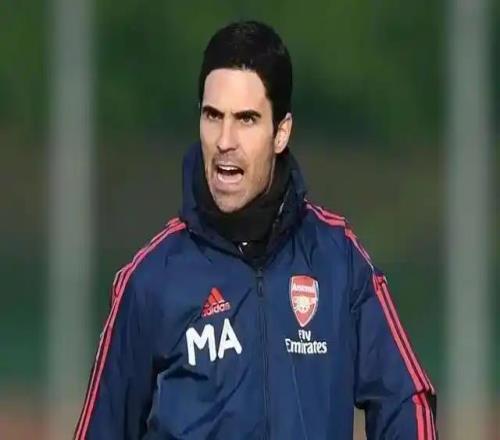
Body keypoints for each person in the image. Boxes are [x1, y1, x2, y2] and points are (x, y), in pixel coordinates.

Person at [74, 20, 437, 440]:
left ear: (281, 133)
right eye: (213, 116)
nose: (224, 140)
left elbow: (405, 397)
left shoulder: (338, 258)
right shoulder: (151, 279)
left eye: (246, 119)